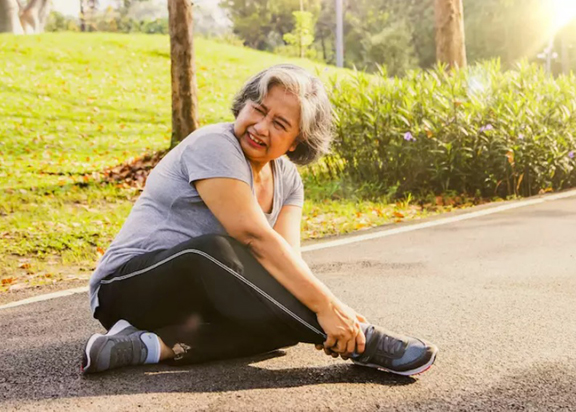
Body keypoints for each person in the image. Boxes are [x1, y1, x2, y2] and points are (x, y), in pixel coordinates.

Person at [81, 64, 437, 376]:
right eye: (258, 109)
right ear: (245, 104)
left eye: (279, 123)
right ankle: (365, 343)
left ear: (297, 142)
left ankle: (150, 346)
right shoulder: (214, 145)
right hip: (128, 287)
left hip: (195, 303)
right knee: (213, 252)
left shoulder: (288, 180)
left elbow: (286, 261)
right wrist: (329, 310)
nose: (260, 126)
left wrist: (328, 311)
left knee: (282, 320)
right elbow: (253, 235)